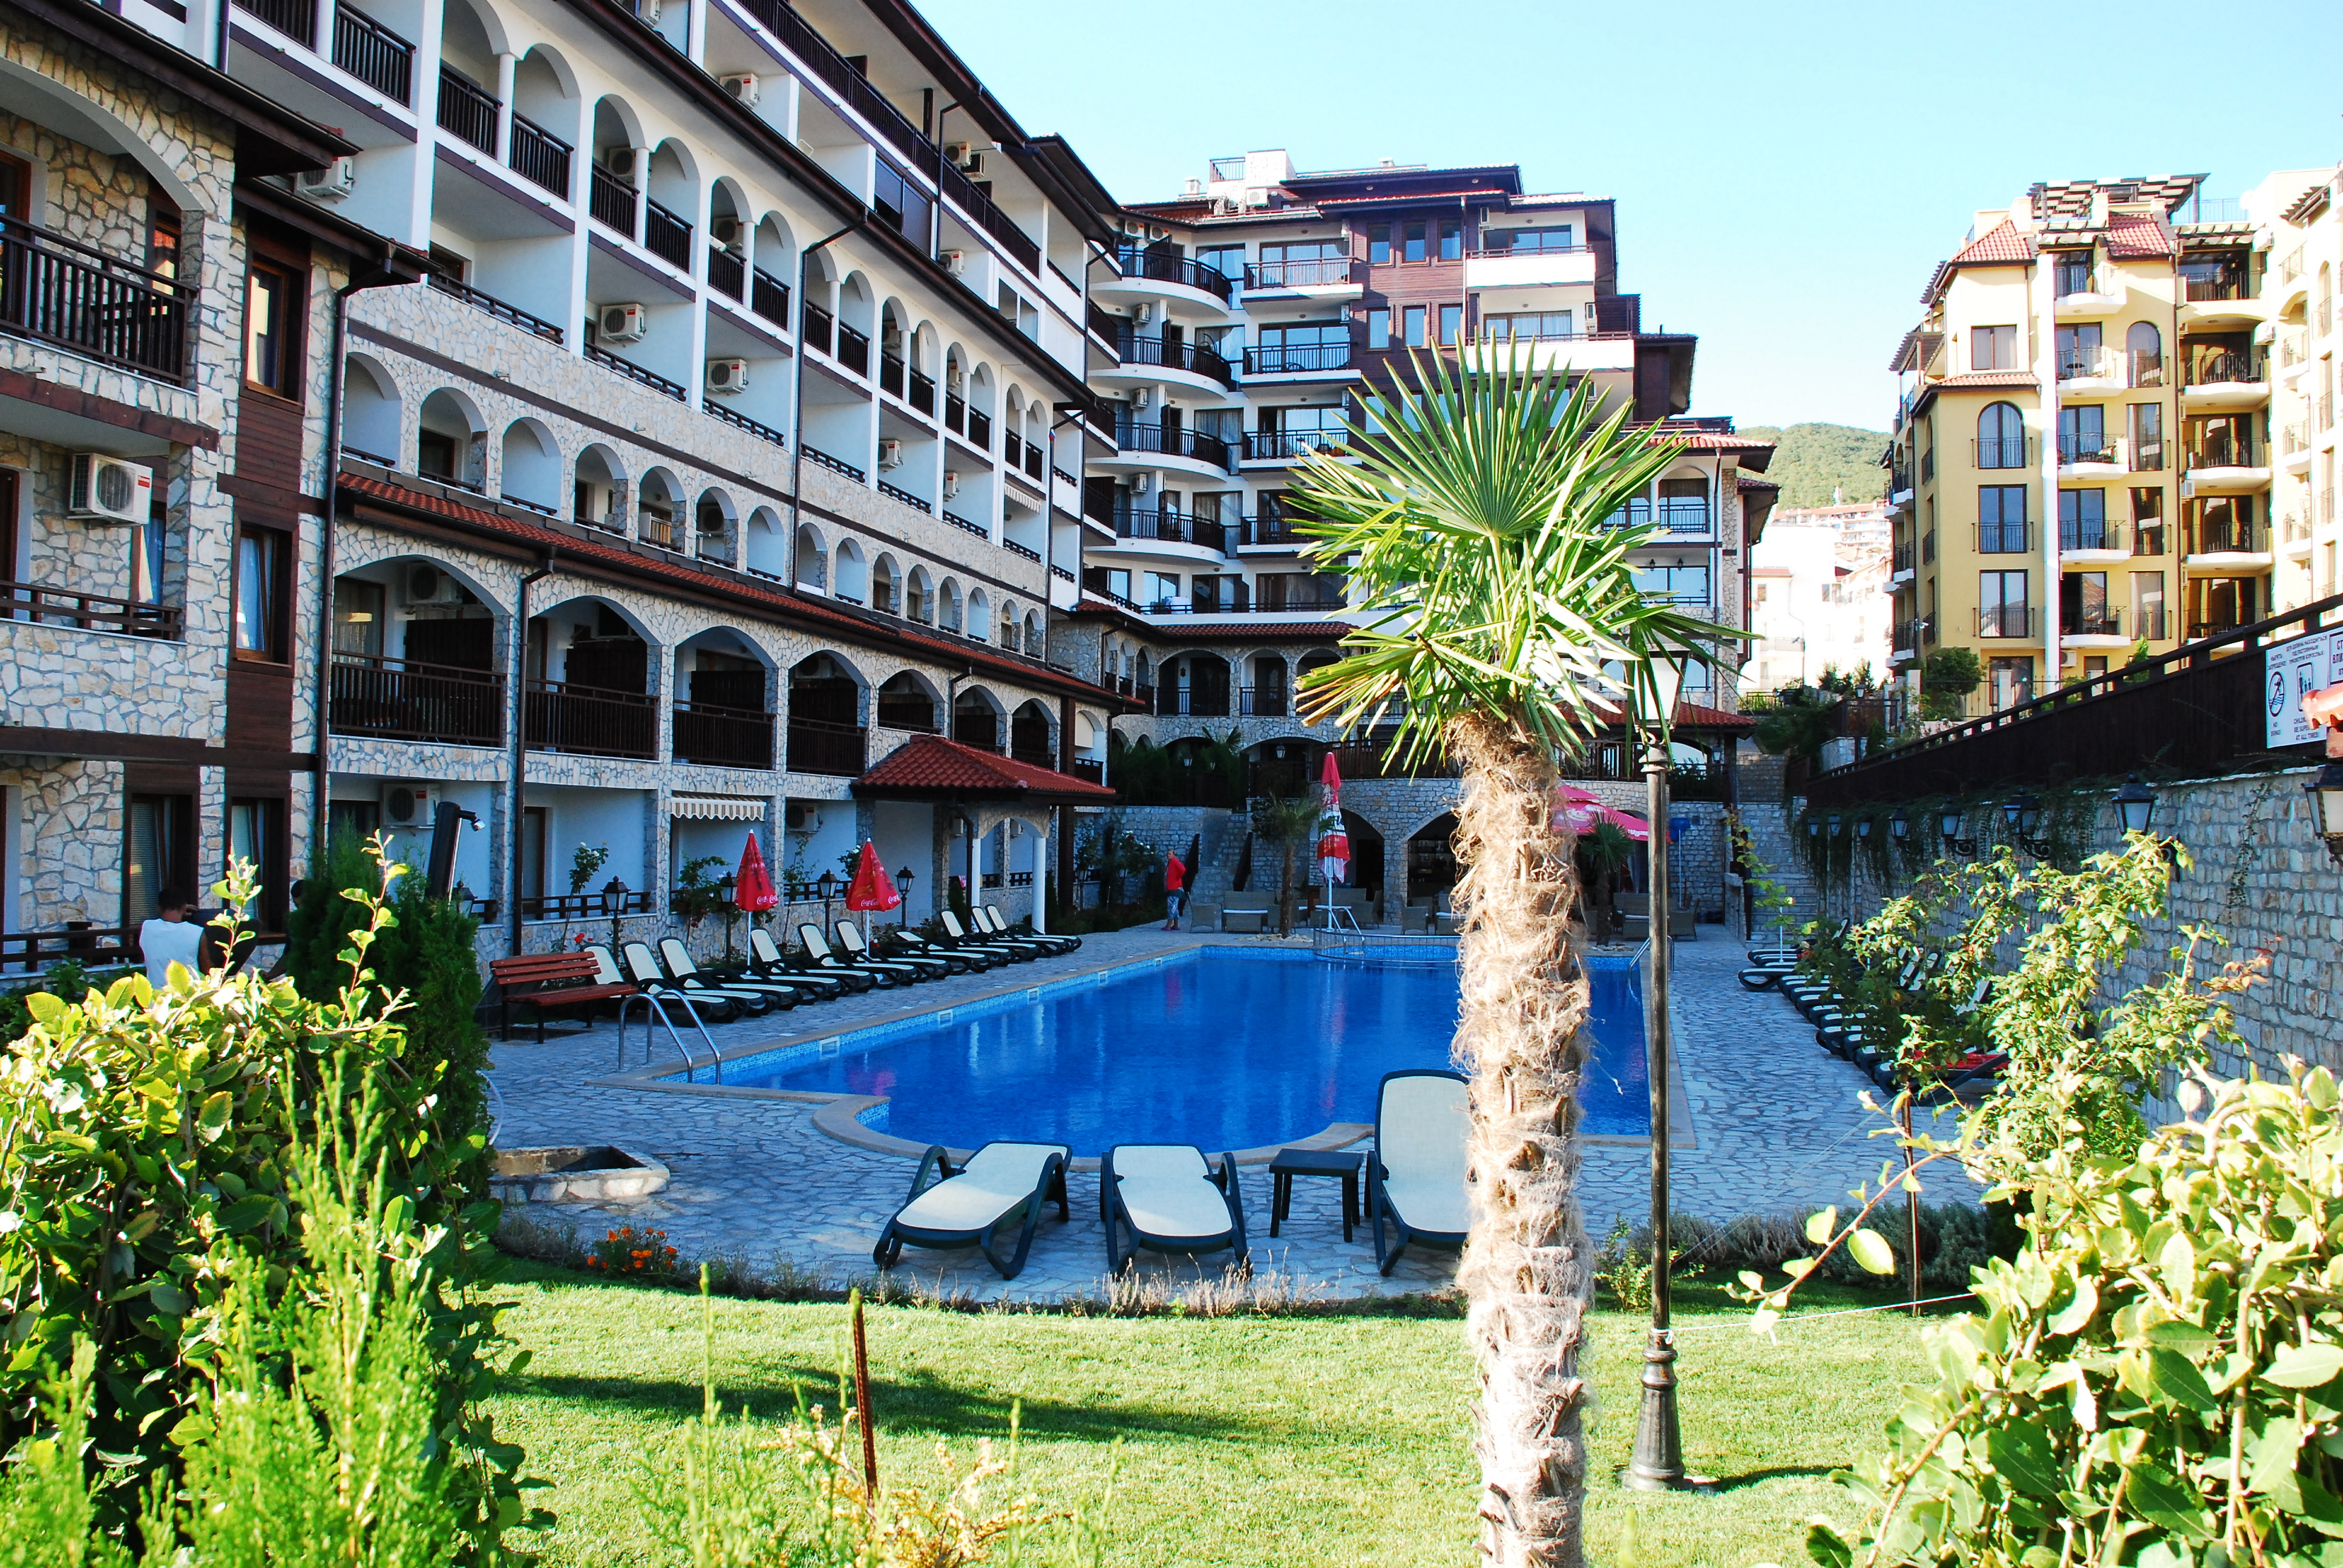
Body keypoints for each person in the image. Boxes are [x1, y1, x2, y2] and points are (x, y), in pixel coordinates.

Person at [138, 887, 202, 987]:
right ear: (183, 907)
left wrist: (182, 908)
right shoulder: (198, 932)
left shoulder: (147, 927)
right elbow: (207, 968)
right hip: (189, 994)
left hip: (157, 995)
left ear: (158, 908)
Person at [1161, 851, 1185, 930]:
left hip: (1175, 888)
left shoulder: (1175, 862)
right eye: (1167, 854)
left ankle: (1169, 925)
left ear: (1174, 855)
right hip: (1171, 887)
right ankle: (1176, 925)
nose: (1168, 855)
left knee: (1172, 907)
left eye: (1170, 854)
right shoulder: (1170, 863)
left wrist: (1178, 877)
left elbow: (1183, 870)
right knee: (1174, 907)